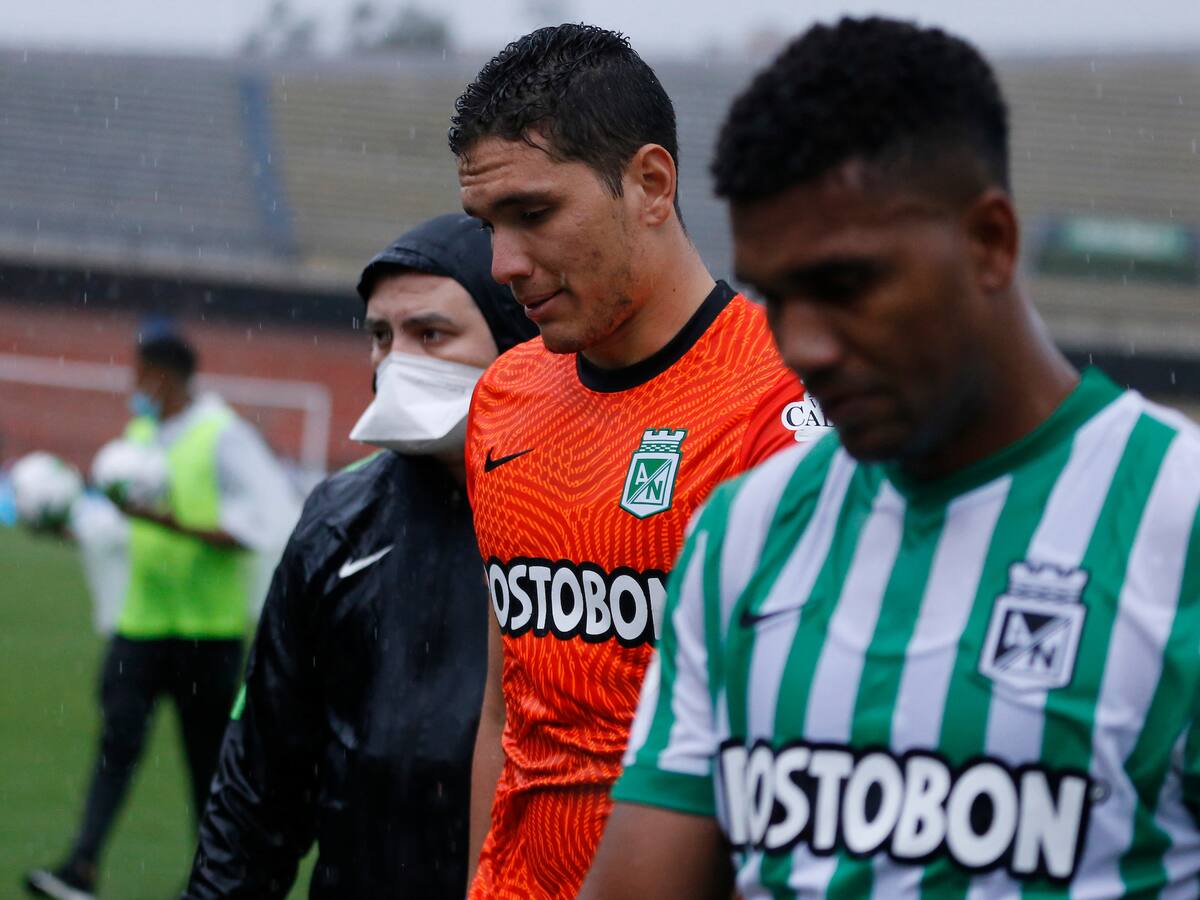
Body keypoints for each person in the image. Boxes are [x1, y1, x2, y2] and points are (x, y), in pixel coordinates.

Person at [584, 16, 1200, 899]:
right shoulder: (743, 533)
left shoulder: (1180, 524)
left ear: (990, 242)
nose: (802, 345)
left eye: (846, 285)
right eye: (776, 296)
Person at [450, 24, 819, 898]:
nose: (502, 264)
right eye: (487, 224)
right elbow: (509, 711)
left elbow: (797, 755)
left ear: (651, 184)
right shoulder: (503, 397)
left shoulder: (783, 412)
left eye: (534, 214)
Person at [182, 214, 537, 899]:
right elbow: (258, 786)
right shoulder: (337, 520)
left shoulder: (583, 520)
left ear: (515, 341)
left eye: (430, 334)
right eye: (380, 336)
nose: (394, 361)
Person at [27, 334, 299, 900]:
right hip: (141, 626)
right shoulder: (141, 437)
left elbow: (265, 524)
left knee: (210, 768)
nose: (135, 388)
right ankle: (79, 870)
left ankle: (210, 881)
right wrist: (70, 527)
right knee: (116, 746)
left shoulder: (223, 436)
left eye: (141, 374)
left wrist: (166, 523)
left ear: (165, 377)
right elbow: (123, 525)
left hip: (207, 634)